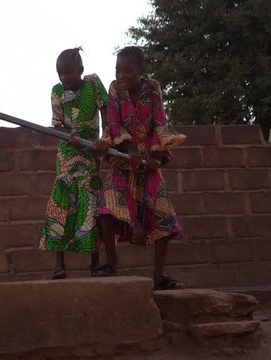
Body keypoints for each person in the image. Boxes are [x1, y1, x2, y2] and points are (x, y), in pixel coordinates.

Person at [95, 46, 187, 290]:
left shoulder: (153, 88)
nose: (121, 75)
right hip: (122, 156)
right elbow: (113, 122)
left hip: (148, 159)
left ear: (141, 70)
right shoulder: (115, 90)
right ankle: (112, 262)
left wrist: (155, 155)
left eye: (128, 70)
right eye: (117, 70)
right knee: (106, 208)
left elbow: (160, 122)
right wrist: (129, 152)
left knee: (164, 215)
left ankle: (158, 276)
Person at [39, 47, 108, 279]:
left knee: (90, 204)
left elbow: (106, 112)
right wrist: (64, 134)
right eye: (60, 74)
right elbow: (58, 124)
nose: (64, 78)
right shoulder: (57, 92)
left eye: (68, 73)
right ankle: (59, 265)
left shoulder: (93, 84)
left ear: (80, 70)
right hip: (67, 154)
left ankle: (95, 265)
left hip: (90, 153)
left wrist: (105, 139)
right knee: (61, 204)